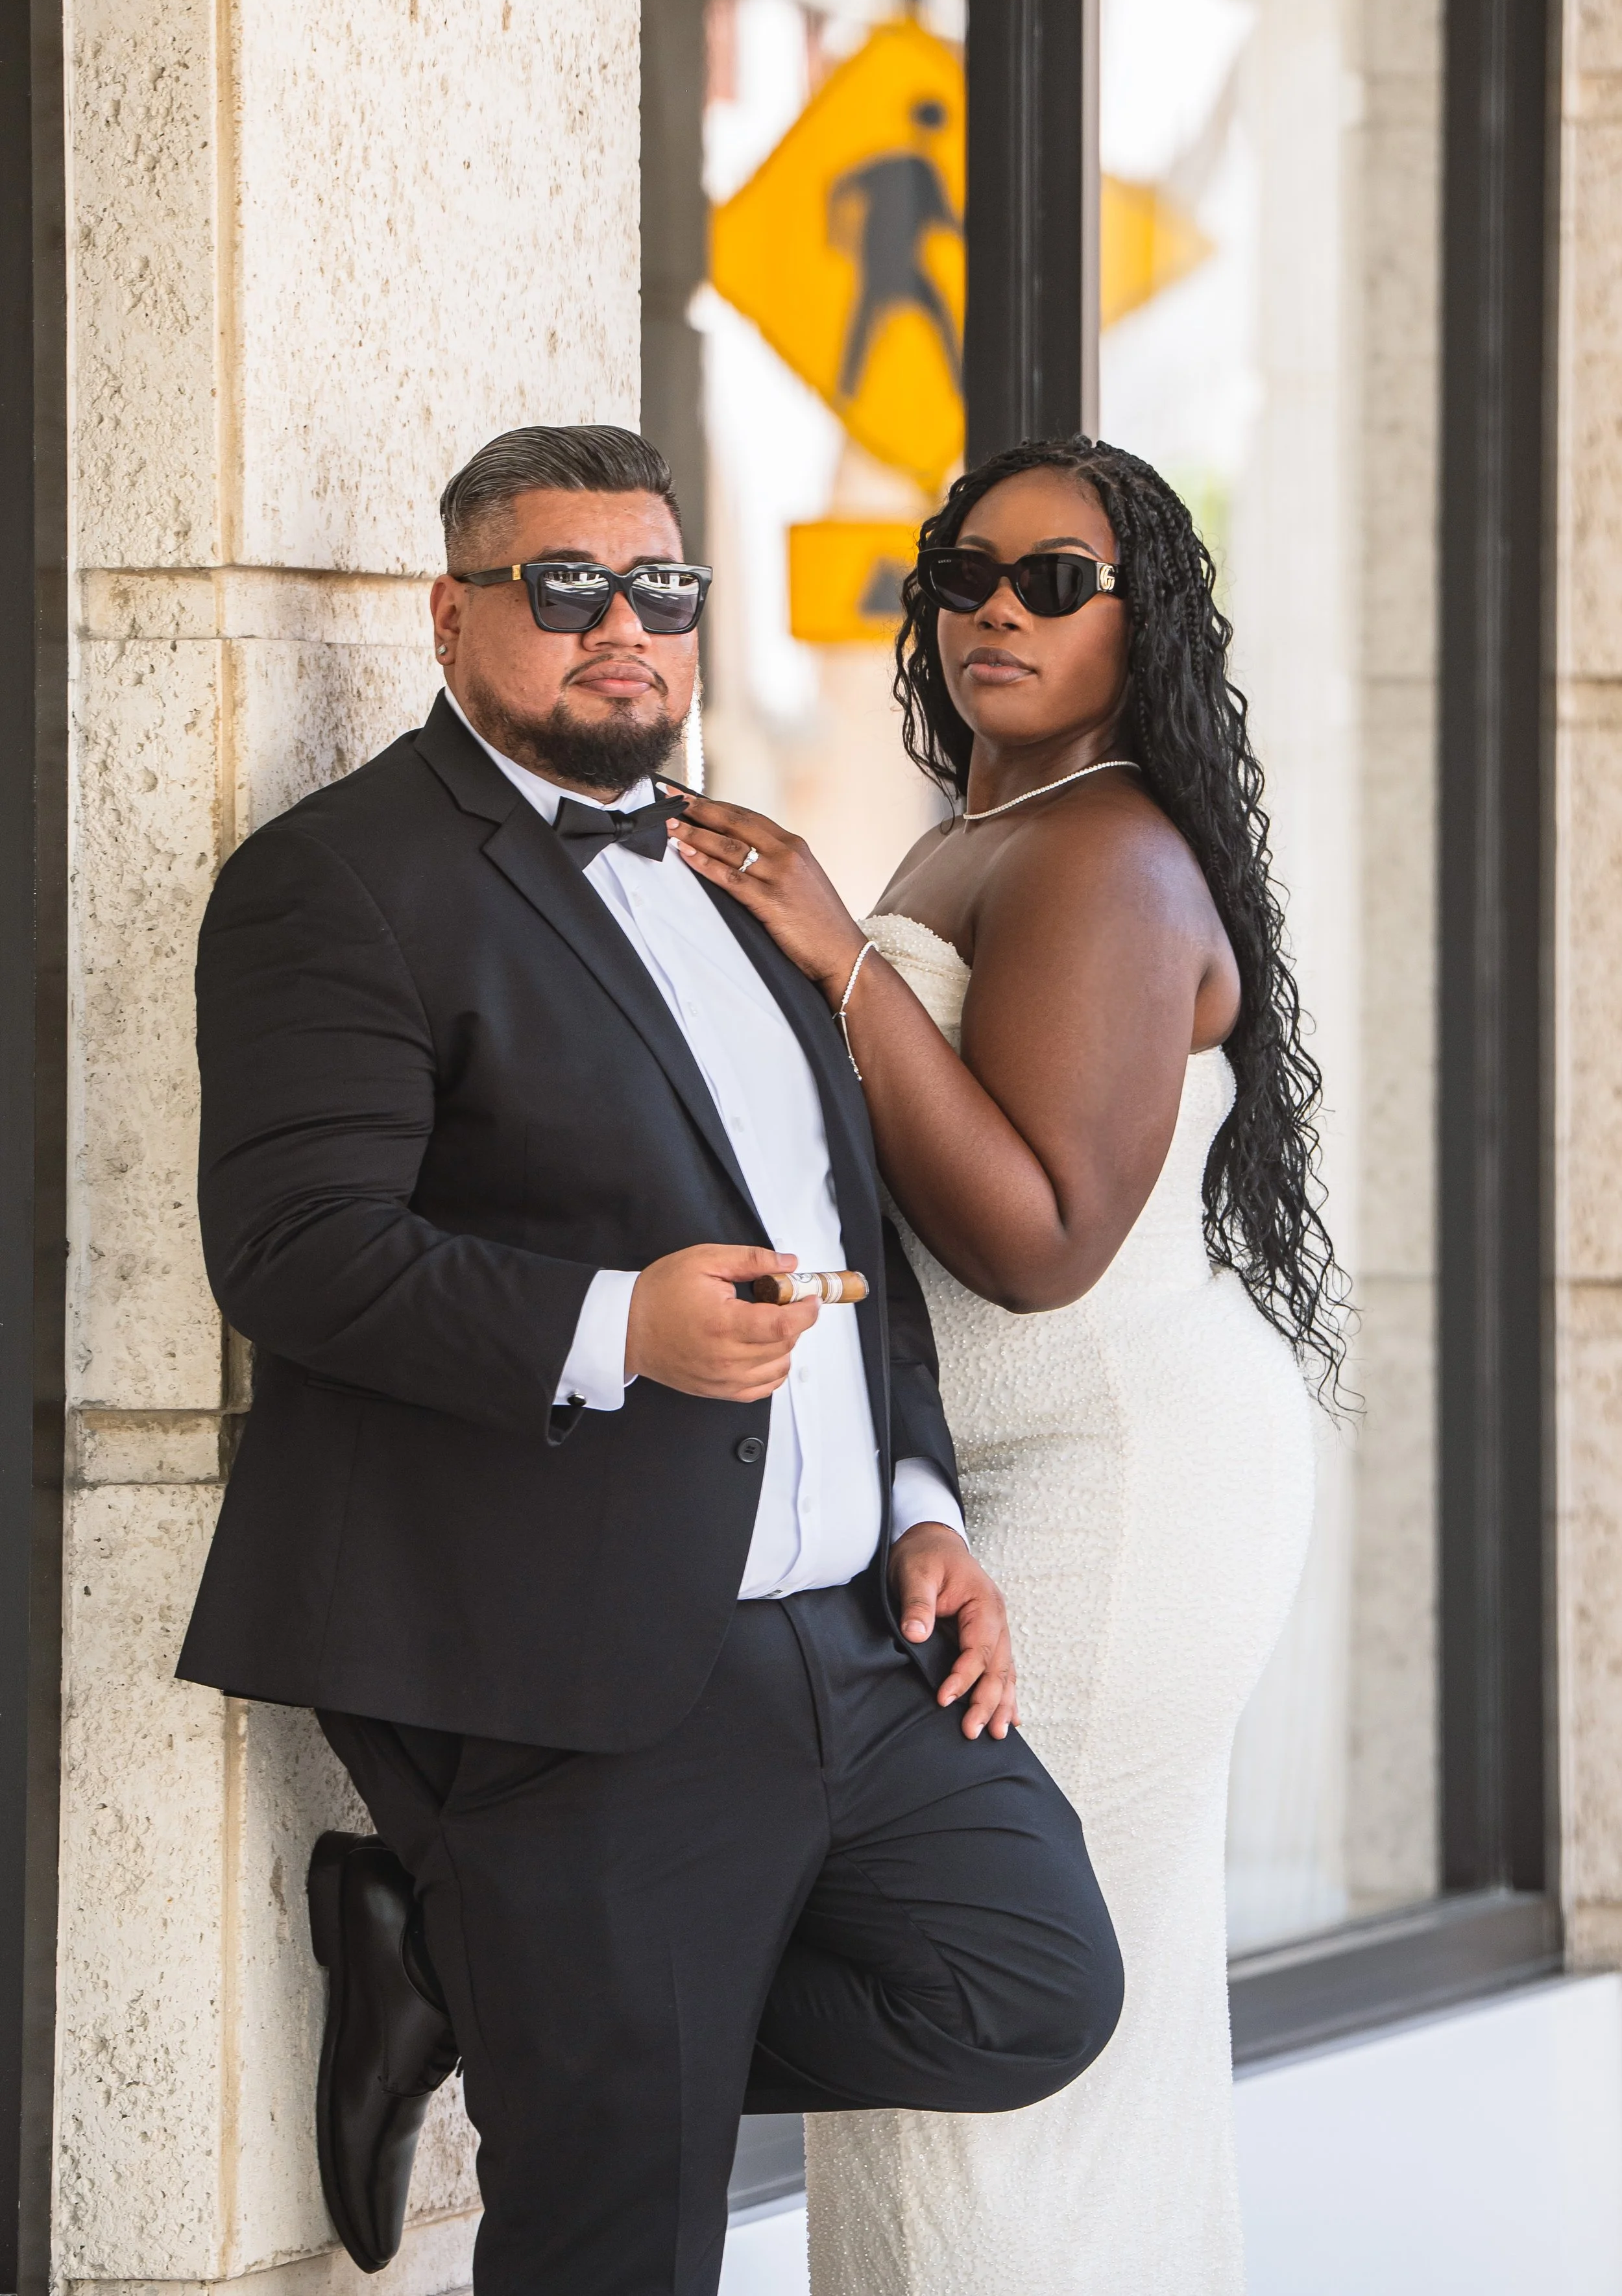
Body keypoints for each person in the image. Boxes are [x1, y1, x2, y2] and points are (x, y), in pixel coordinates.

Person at [174, 426, 1123, 2296]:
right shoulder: (340, 883)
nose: (627, 629)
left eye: (661, 589)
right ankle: (540, 1985)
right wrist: (622, 1327)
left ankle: (456, 1961)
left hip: (853, 1635)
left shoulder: (739, 870)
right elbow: (289, 1252)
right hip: (577, 1665)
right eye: (566, 588)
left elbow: (846, 1233)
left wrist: (919, 1504)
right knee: (619, 2230)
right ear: (453, 617)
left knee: (1031, 1981)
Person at [672, 433, 1340, 2295]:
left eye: (1056, 580)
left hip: (1118, 1492)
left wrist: (834, 954)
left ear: (1141, 624)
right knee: (1022, 2007)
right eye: (966, 573)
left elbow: (1039, 1241)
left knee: (966, 1971)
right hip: (1022, 1478)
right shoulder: (983, 829)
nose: (996, 611)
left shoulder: (1105, 857)